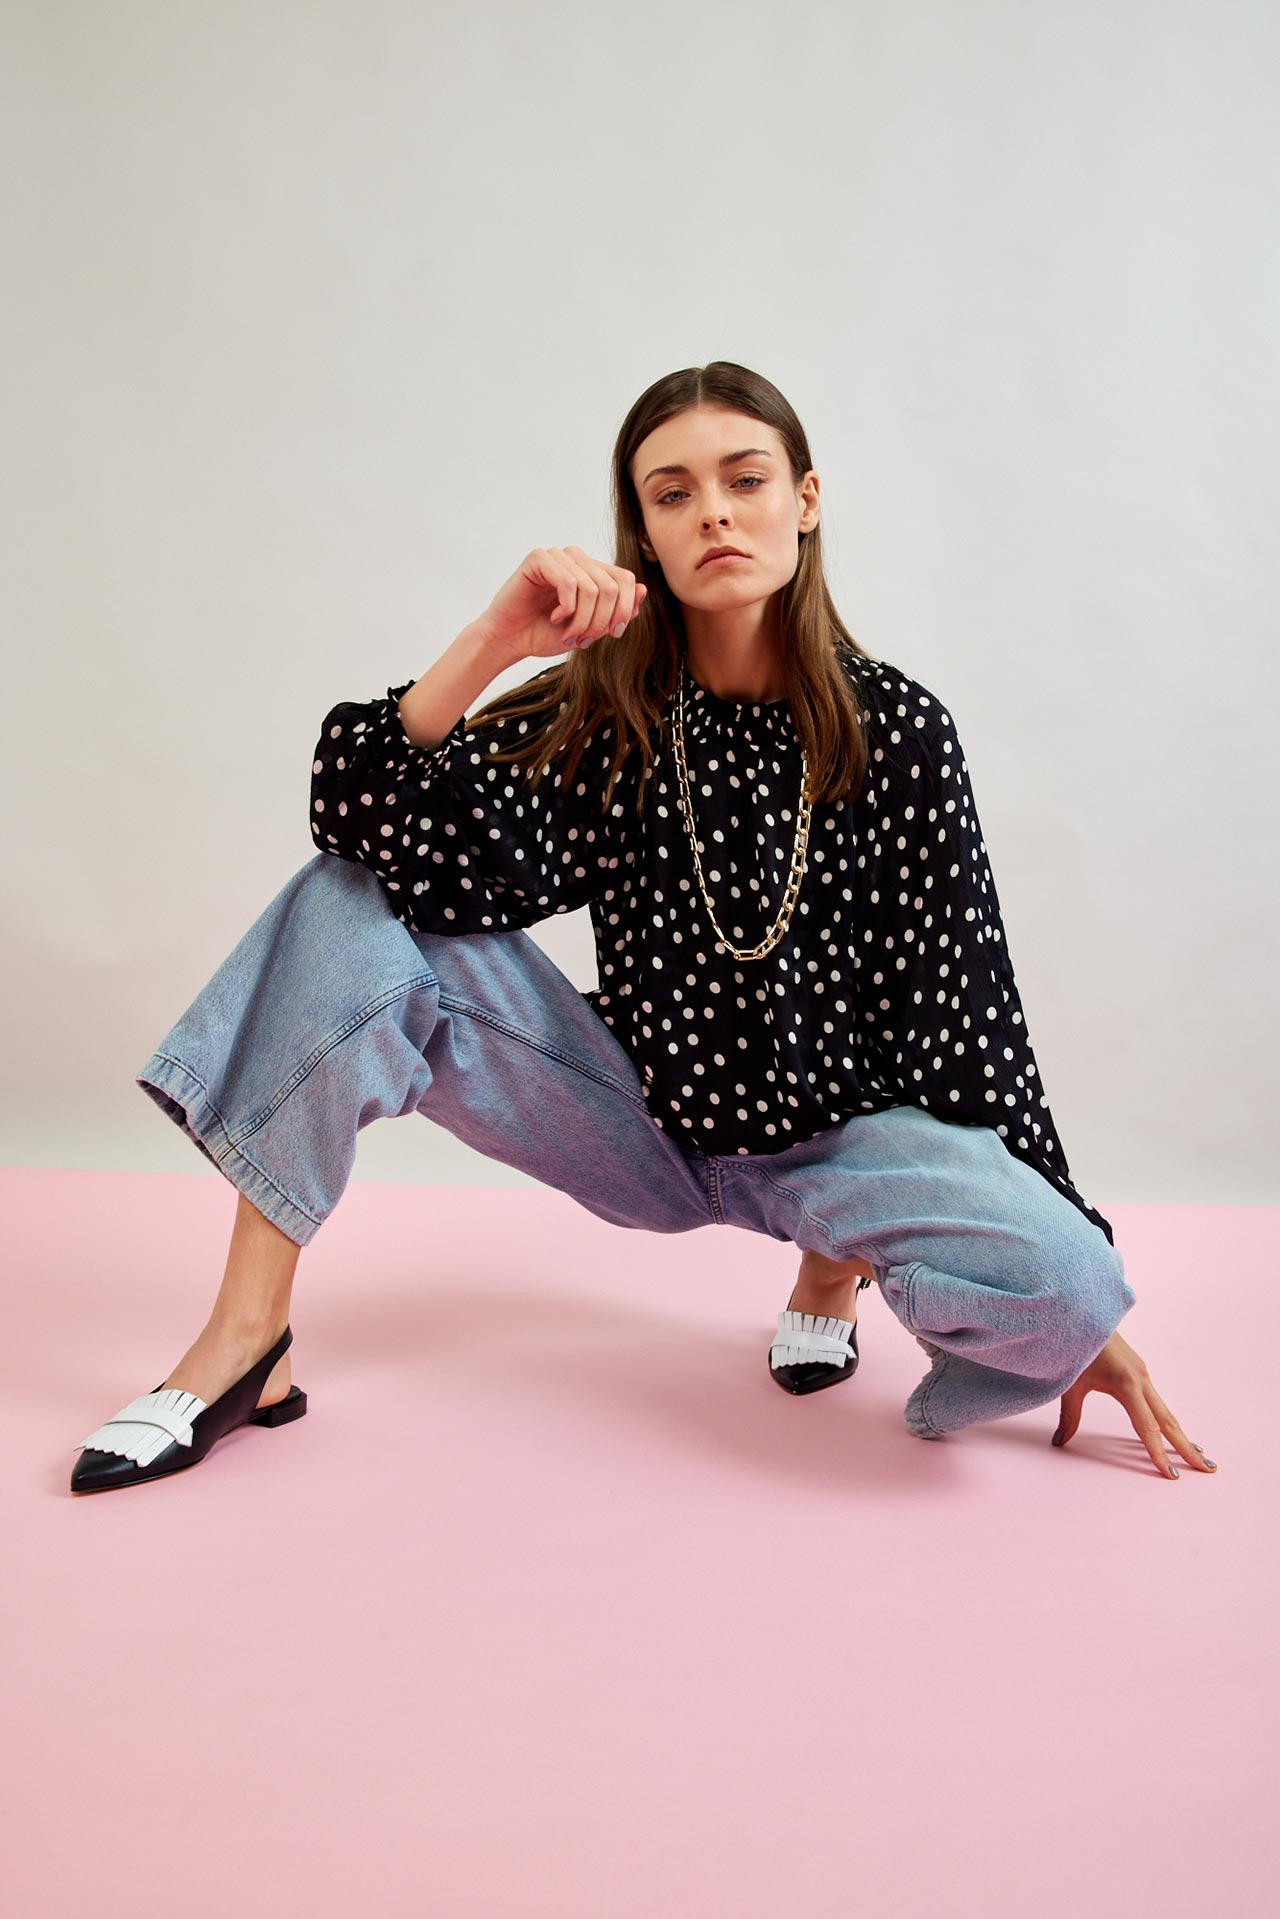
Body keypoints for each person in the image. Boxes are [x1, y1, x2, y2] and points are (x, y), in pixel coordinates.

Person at [70, 360, 1217, 1493]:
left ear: (804, 501)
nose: (712, 510)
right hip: (639, 1112)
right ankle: (248, 1339)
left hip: (843, 1146)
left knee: (1075, 1283)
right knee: (345, 897)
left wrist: (1073, 1285)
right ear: (646, 537)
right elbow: (362, 819)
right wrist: (492, 638)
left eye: (744, 478)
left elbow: (966, 1012)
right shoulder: (609, 714)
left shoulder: (900, 731)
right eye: (672, 493)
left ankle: (829, 1272)